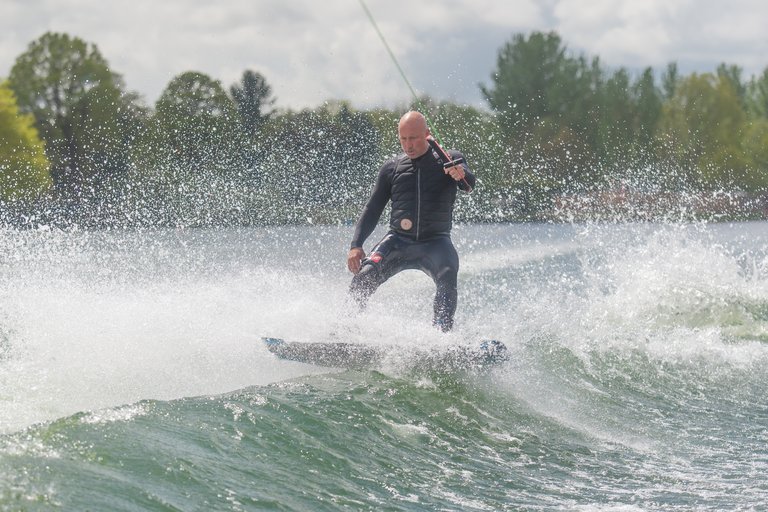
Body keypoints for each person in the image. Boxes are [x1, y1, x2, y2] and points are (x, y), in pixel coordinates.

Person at [346, 111, 476, 331]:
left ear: (427, 134)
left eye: (414, 138)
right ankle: (345, 328)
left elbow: (468, 184)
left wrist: (460, 173)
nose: (408, 145)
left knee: (447, 277)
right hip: (398, 241)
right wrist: (356, 245)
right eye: (403, 139)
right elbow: (373, 208)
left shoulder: (449, 158)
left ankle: (441, 335)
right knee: (363, 277)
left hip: (436, 242)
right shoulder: (391, 168)